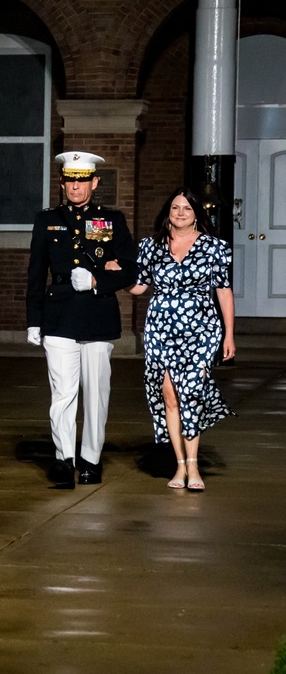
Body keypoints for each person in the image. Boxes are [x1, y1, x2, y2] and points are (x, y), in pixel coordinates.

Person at [25, 151, 137, 488]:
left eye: (82, 180)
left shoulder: (112, 220)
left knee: (97, 392)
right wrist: (33, 319)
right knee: (62, 393)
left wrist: (97, 280)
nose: (76, 187)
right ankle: (63, 459)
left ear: (94, 182)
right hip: (58, 314)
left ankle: (90, 459)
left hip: (98, 313)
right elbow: (35, 272)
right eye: (70, 180)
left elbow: (132, 269)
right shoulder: (47, 220)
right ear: (62, 183)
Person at [127, 187, 235, 490]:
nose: (180, 213)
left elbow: (223, 292)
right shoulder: (151, 246)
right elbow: (139, 287)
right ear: (168, 213)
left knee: (190, 392)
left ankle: (195, 466)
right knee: (169, 395)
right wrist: (115, 275)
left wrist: (229, 334)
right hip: (161, 327)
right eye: (175, 208)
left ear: (197, 214)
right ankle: (180, 466)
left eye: (187, 208)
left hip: (201, 328)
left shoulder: (215, 247)